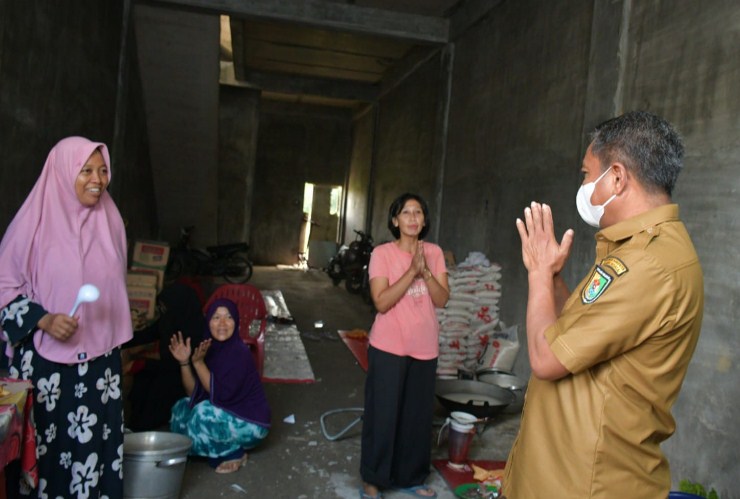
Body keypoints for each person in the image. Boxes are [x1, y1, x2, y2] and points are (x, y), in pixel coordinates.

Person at [503, 111, 704, 498]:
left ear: (616, 177)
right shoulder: (634, 250)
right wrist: (556, 280)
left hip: (587, 483)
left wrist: (539, 276)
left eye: (585, 174)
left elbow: (546, 359)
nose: (582, 186)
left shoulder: (649, 266)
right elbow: (572, 330)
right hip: (560, 472)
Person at [0, 136, 133, 497]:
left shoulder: (111, 220)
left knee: (96, 456)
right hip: (47, 370)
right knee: (48, 455)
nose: (98, 179)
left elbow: (115, 288)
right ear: (62, 173)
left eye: (103, 170)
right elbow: (3, 288)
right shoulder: (33, 224)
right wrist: (43, 319)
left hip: (100, 369)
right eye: (86, 170)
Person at [360, 193, 449, 499]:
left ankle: (410, 477)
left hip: (425, 348)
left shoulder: (434, 253)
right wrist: (412, 271)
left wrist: (425, 270)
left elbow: (442, 299)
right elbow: (381, 302)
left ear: (424, 220)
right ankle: (373, 478)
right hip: (388, 347)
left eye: (418, 212)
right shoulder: (382, 254)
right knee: (381, 415)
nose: (413, 217)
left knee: (416, 418)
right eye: (406, 212)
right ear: (395, 220)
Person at [169, 297, 271, 474]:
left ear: (236, 321)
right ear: (208, 322)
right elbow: (194, 393)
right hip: (224, 413)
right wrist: (185, 363)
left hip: (250, 423)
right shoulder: (209, 348)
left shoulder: (240, 353)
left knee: (202, 413)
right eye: (216, 317)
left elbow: (220, 396)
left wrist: (199, 364)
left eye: (228, 317)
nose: (222, 323)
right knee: (181, 408)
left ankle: (234, 452)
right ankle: (206, 445)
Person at [123, 282, 205, 431]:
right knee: (142, 382)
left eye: (165, 307)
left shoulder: (196, 331)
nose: (163, 311)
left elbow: (176, 365)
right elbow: (148, 334)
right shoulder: (169, 319)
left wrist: (142, 364)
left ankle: (146, 428)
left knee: (157, 386)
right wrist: (118, 341)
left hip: (186, 377)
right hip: (167, 368)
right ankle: (135, 427)